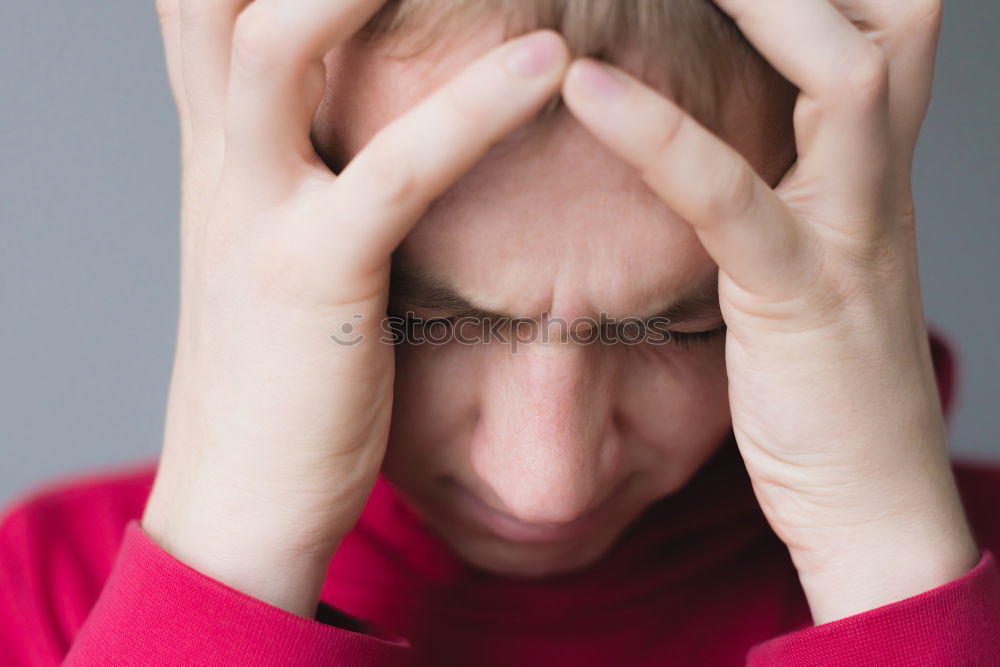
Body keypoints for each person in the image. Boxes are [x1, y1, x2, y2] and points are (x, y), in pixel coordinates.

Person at [2, 0, 998, 664]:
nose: (546, 478)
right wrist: (221, 573)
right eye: (423, 316)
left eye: (682, 326)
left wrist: (888, 568)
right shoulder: (48, 598)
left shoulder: (949, 579)